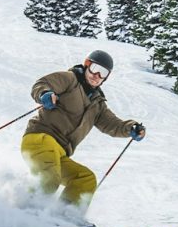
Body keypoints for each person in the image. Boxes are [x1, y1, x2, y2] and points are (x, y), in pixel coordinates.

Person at [21, 49, 146, 214]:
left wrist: (131, 128)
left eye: (103, 73)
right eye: (95, 69)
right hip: (41, 138)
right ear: (87, 65)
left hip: (60, 152)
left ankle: (64, 218)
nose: (97, 76)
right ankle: (22, 213)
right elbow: (43, 83)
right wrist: (45, 93)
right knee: (50, 178)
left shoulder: (97, 104)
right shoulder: (70, 79)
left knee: (85, 179)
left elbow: (113, 124)